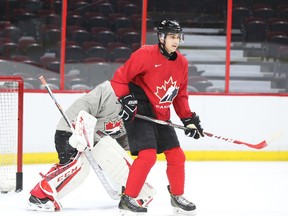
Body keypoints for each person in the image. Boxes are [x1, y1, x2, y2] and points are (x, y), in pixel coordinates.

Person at [110, 19, 205, 214]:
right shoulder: (145, 54)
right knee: (148, 155)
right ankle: (128, 199)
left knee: (177, 155)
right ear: (161, 37)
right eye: (171, 36)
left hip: (161, 113)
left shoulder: (182, 63)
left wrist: (188, 118)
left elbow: (179, 95)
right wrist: (126, 99)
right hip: (140, 109)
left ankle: (177, 197)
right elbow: (120, 78)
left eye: (178, 37)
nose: (175, 41)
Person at [26, 81, 131, 211]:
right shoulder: (107, 91)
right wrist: (80, 130)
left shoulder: (135, 108)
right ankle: (40, 196)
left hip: (94, 139)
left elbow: (122, 142)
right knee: (79, 167)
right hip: (71, 132)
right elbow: (83, 107)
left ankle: (129, 192)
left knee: (119, 162)